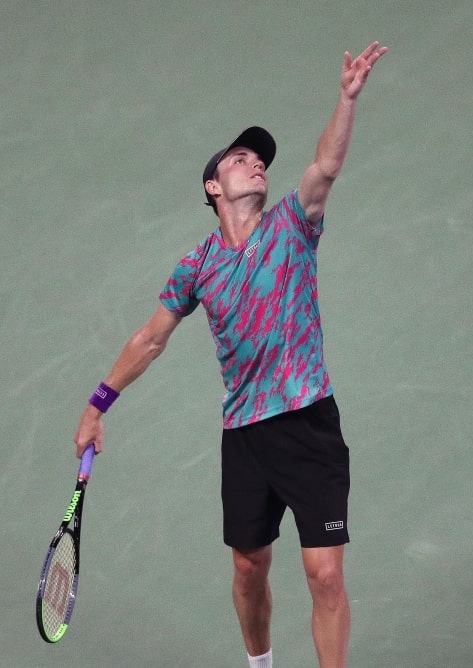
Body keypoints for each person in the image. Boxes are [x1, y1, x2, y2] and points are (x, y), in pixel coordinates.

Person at [74, 41, 387, 668]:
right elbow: (151, 337)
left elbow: (324, 166)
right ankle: (261, 664)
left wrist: (347, 99)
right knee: (249, 568)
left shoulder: (294, 225)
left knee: (325, 576)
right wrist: (97, 403)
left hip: (308, 422)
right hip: (244, 435)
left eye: (261, 161)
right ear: (213, 186)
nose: (257, 166)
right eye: (242, 160)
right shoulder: (196, 265)